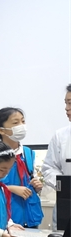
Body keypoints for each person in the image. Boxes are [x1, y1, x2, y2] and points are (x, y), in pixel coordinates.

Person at [0, 107, 43, 228]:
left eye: (23, 121)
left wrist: (36, 185)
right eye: (16, 123)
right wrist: (11, 188)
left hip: (30, 219)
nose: (21, 126)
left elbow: (30, 179)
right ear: (1, 130)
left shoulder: (28, 153)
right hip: (6, 221)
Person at [42, 84, 71, 229]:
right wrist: (64, 185)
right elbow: (49, 168)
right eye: (66, 103)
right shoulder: (60, 136)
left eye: (70, 103)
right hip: (67, 201)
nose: (66, 108)